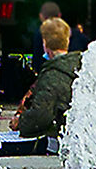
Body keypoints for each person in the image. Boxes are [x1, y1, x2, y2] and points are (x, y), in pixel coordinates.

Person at [8, 15, 79, 148]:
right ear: (67, 41)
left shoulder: (52, 75)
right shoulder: (79, 67)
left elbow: (41, 116)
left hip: (57, 143)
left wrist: (20, 122)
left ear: (45, 43)